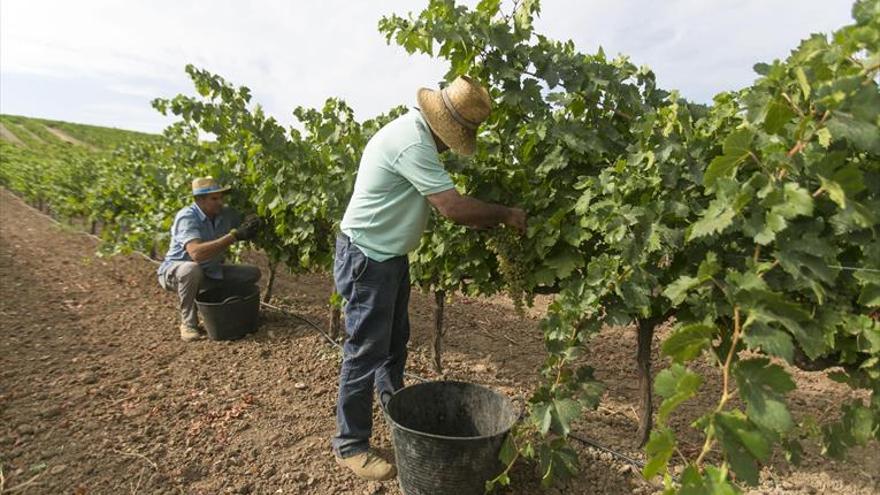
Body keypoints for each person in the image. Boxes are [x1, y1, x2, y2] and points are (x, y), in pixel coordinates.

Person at [332, 76, 527, 481]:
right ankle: (350, 445)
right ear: (443, 127)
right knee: (366, 352)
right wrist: (505, 214)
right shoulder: (411, 142)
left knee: (393, 344)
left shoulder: (414, 135)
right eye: (455, 138)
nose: (451, 147)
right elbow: (452, 207)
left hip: (388, 257)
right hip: (367, 258)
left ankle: (394, 413)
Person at [157, 177, 262, 341]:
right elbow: (197, 254)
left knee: (251, 273)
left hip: (210, 271)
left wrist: (252, 220)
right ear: (199, 200)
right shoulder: (187, 217)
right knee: (191, 269)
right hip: (175, 272)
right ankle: (188, 323)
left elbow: (246, 218)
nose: (220, 202)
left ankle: (226, 310)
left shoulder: (224, 213)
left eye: (221, 197)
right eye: (214, 198)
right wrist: (233, 237)